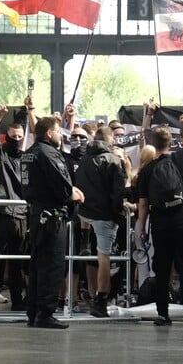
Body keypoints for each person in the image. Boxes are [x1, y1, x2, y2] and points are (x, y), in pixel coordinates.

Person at [136, 116, 183, 328]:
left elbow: (142, 205)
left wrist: (142, 229)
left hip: (161, 223)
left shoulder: (146, 171)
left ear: (152, 144)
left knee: (163, 268)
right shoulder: (179, 158)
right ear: (171, 142)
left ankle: (163, 313)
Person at [20, 116, 84, 329]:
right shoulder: (49, 154)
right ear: (49, 133)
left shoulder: (28, 153)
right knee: (53, 266)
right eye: (58, 131)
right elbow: (63, 187)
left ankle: (34, 312)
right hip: (52, 216)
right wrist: (72, 193)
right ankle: (45, 313)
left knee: (37, 265)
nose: (60, 135)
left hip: (36, 214)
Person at [76, 126, 127, 318]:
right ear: (110, 139)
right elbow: (118, 193)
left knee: (95, 254)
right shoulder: (113, 161)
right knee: (104, 258)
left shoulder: (84, 159)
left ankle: (84, 239)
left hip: (85, 212)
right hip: (104, 215)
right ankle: (101, 301)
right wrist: (117, 214)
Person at [0, 104, 28, 312]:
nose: (17, 140)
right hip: (0, 212)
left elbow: (26, 129)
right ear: (6, 136)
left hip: (20, 214)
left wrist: (26, 111)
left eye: (20, 137)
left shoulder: (26, 158)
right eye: (13, 136)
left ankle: (17, 301)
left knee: (17, 261)